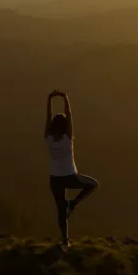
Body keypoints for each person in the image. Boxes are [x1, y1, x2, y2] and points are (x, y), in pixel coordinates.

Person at [44, 90, 99, 248]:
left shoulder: (48, 138)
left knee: (61, 211)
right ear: (65, 126)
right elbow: (70, 115)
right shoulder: (68, 138)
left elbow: (48, 117)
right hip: (69, 176)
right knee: (93, 184)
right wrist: (65, 98)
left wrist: (49, 100)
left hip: (54, 179)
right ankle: (73, 204)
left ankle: (65, 241)